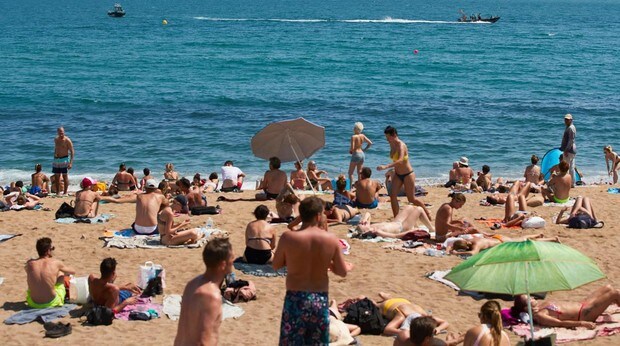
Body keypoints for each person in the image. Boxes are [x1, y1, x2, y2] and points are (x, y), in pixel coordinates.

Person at [273, 197, 348, 345]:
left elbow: (276, 265)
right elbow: (342, 272)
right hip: (319, 298)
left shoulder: (289, 237)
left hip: (295, 297)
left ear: (301, 214)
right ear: (319, 216)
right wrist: (328, 264)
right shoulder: (330, 239)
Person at [174, 238, 235, 346]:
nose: (233, 261)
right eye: (231, 258)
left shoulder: (192, 284)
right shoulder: (211, 295)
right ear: (223, 265)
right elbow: (204, 341)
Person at [376, 126, 430, 219]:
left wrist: (386, 166)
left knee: (411, 199)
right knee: (392, 195)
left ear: (394, 135)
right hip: (398, 174)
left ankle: (426, 212)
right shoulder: (391, 144)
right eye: (386, 137)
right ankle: (396, 218)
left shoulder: (401, 145)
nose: (387, 139)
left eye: (388, 137)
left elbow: (400, 160)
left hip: (408, 174)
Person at [510, 284, 620, 329]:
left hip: (582, 304)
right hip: (584, 314)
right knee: (615, 293)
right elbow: (560, 323)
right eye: (529, 299)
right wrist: (583, 323)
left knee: (608, 287)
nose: (533, 297)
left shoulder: (540, 305)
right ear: (526, 308)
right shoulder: (541, 315)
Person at [101, 179, 168, 235]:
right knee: (163, 220)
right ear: (156, 188)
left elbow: (117, 201)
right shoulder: (160, 197)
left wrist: (101, 198)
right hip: (152, 229)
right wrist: (158, 211)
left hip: (138, 229)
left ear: (145, 187)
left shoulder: (139, 196)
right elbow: (166, 205)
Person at [25, 237, 75, 308]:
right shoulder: (55, 263)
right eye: (52, 248)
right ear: (48, 251)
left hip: (33, 303)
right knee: (61, 274)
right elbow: (73, 272)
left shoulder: (29, 263)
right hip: (51, 303)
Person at [355, 205, 434, 239]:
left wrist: (365, 218)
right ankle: (431, 228)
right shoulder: (377, 232)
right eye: (363, 225)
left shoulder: (370, 227)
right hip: (402, 227)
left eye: (361, 223)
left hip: (396, 222)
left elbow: (368, 214)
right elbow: (395, 236)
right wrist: (410, 231)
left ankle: (414, 224)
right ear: (366, 231)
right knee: (419, 209)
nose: (363, 223)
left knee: (409, 207)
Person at [449, 233, 558, 256]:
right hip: (498, 237)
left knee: (525, 243)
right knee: (520, 238)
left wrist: (456, 253)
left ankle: (552, 238)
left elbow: (473, 253)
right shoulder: (474, 239)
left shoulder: (476, 244)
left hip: (502, 242)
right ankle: (537, 234)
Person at [52, 127, 74, 195]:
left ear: (64, 132)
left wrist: (70, 163)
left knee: (64, 176)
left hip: (64, 159)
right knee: (56, 176)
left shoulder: (67, 140)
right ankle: (58, 192)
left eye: (62, 132)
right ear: (57, 132)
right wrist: (55, 154)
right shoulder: (56, 139)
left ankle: (65, 192)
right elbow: (56, 148)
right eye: (60, 132)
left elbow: (72, 151)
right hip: (56, 160)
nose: (61, 134)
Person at [559, 114, 577, 187]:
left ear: (571, 120)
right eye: (565, 119)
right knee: (571, 166)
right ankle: (572, 183)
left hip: (569, 150)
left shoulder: (570, 128)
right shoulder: (569, 127)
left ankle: (567, 182)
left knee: (566, 166)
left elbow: (571, 140)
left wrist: (566, 150)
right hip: (571, 150)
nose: (566, 121)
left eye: (567, 119)